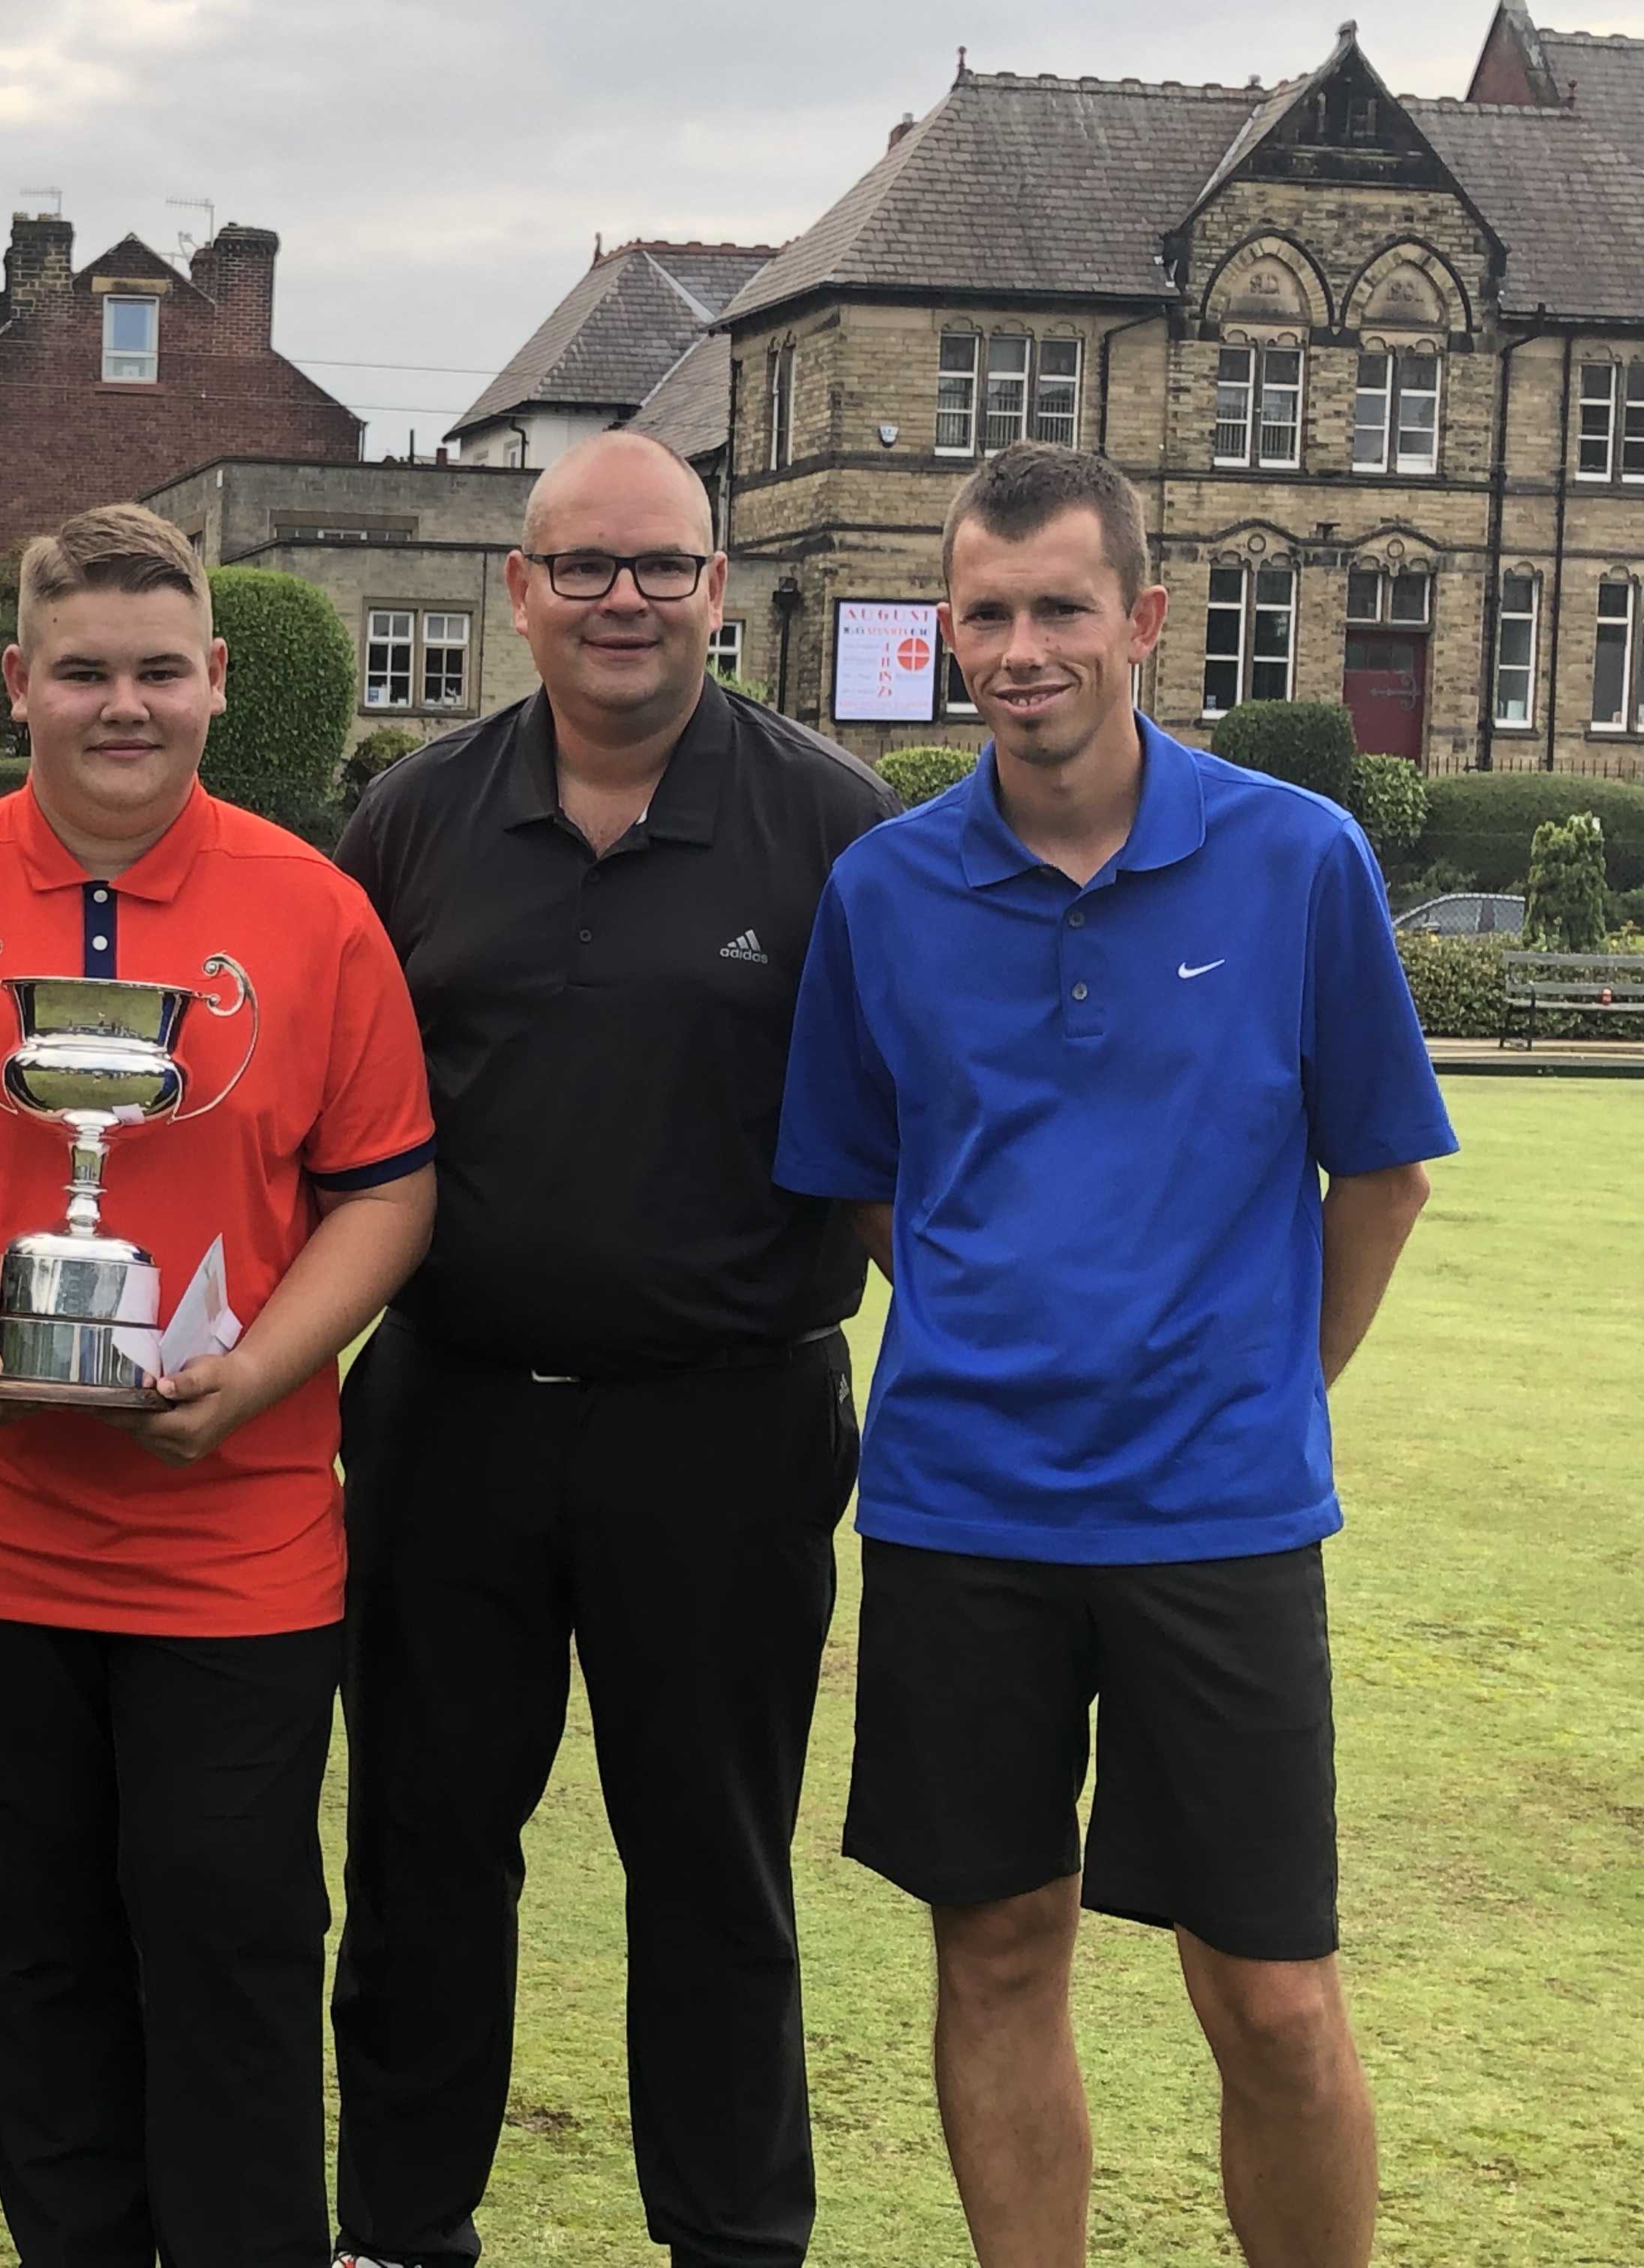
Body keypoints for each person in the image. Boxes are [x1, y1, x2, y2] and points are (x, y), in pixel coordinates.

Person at [774, 442, 1454, 2268]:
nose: (1023, 652)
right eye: (987, 615)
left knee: (1274, 1997)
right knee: (999, 1952)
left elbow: (1383, 1174)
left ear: (1146, 618)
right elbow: (864, 1182)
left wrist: (1264, 1388)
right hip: (962, 1513)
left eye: (1061, 608)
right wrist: (1009, 1318)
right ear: (950, 634)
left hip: (1216, 1520)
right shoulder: (886, 889)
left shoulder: (1296, 859)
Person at [0, 502, 438, 2268]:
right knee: (47, 1948)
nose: (121, 706)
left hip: (239, 1529)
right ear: (17, 683)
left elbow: (388, 1195)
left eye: (157, 670)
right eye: (82, 672)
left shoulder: (317, 913)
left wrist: (257, 1373)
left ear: (215, 679)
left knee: (233, 1938)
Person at [325, 429, 898, 2268]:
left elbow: (920, 1138)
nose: (623, 600)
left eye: (661, 566)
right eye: (583, 566)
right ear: (521, 590)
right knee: (421, 1855)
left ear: (719, 589)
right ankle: (399, 2233)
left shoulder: (834, 828)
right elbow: (317, 1122)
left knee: (714, 1868)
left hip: (723, 1432)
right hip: (451, 1420)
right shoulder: (414, 818)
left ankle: (733, 2242)